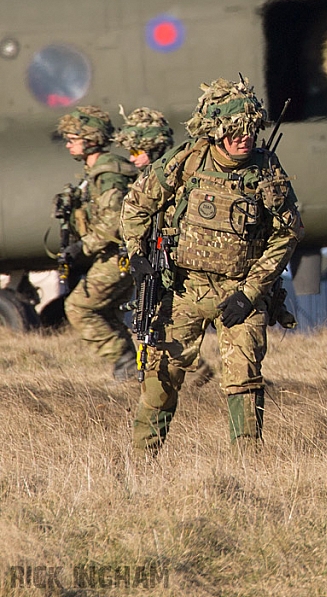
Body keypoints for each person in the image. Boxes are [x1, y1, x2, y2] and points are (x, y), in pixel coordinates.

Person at [120, 78, 303, 453]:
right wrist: (136, 254)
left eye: (250, 130)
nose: (244, 139)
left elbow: (287, 233)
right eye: (234, 132)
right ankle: (141, 463)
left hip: (239, 293)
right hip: (184, 289)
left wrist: (251, 293)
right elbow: (137, 203)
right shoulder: (187, 160)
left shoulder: (266, 171)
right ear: (216, 132)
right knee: (160, 377)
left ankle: (248, 465)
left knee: (244, 381)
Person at [114, 105, 217, 387]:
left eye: (137, 152)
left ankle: (191, 374)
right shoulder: (146, 181)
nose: (133, 159)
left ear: (153, 147)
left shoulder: (177, 175)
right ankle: (186, 374)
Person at [55, 106, 138, 382]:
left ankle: (126, 361)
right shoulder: (95, 173)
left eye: (73, 138)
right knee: (104, 311)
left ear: (90, 139)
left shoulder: (109, 174)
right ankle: (137, 368)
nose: (68, 144)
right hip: (113, 253)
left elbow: (114, 221)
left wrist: (82, 248)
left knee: (78, 307)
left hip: (120, 254)